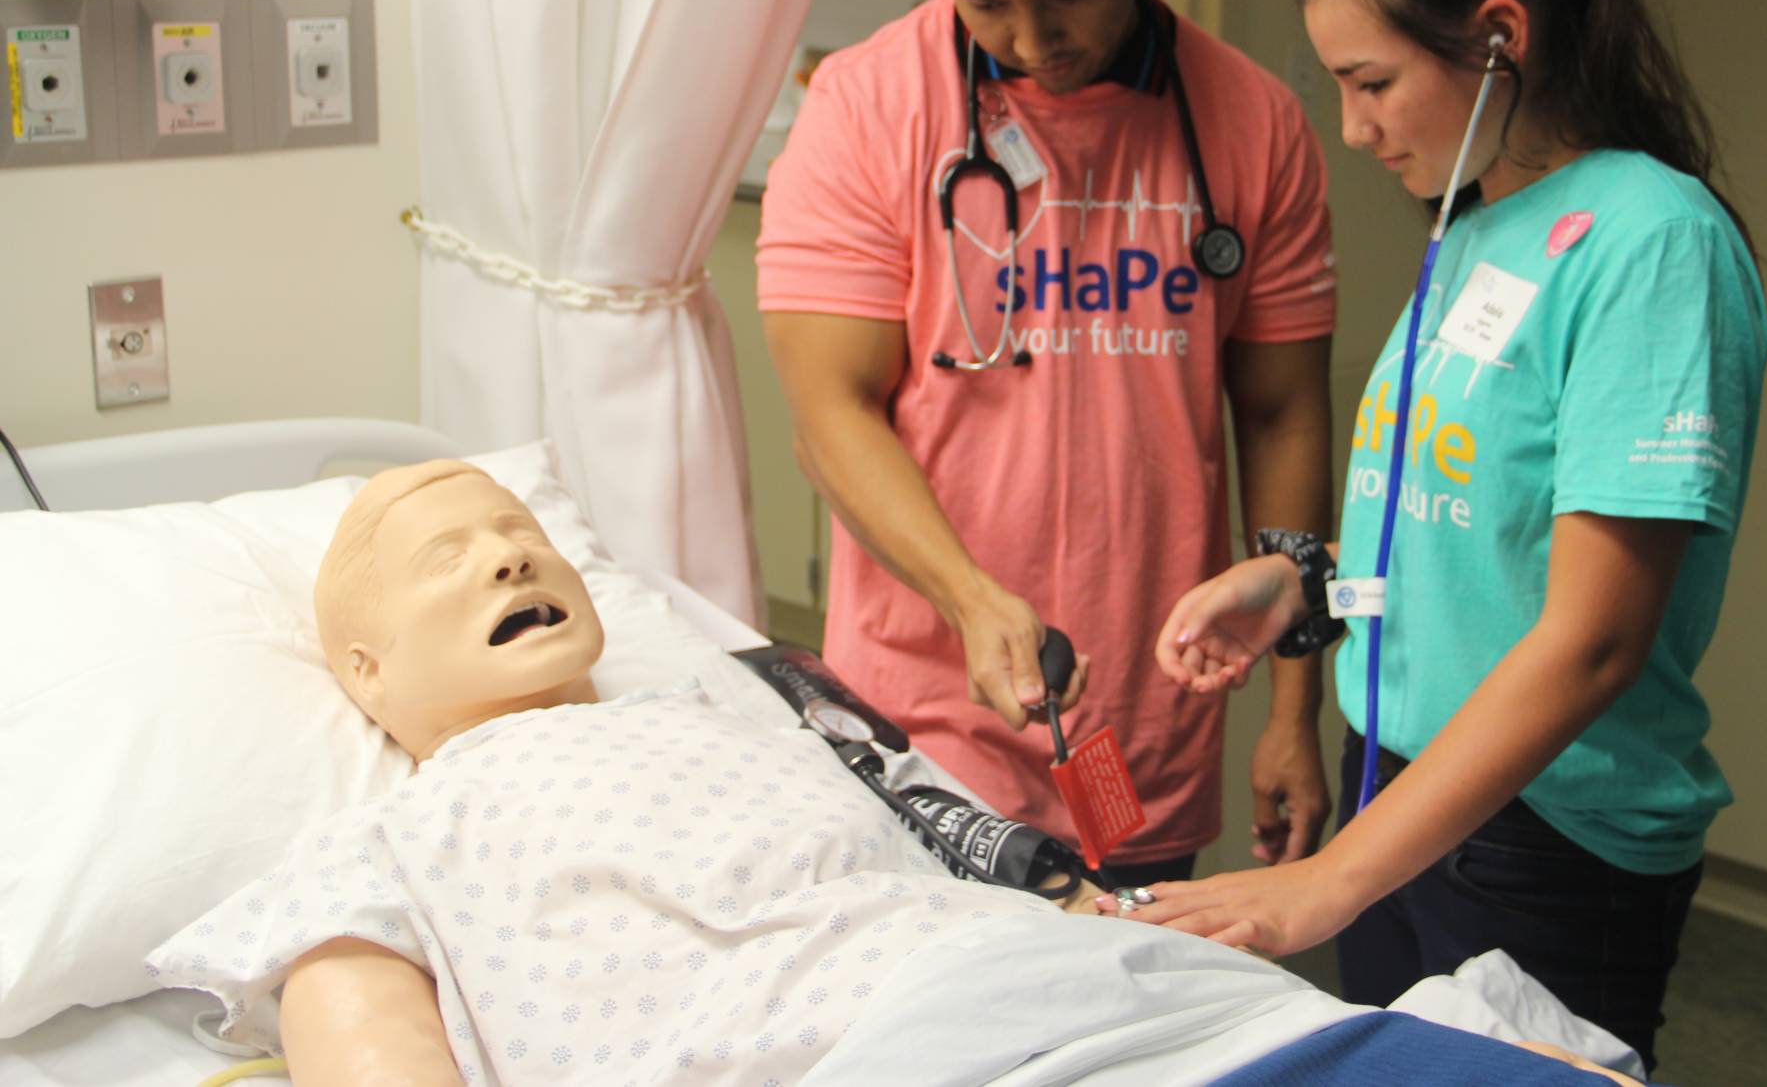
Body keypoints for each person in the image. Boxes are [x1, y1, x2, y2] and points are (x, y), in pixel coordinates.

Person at [146, 461, 1641, 1086]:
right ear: (363, 678)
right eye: (444, 559)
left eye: (522, 534)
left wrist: (1083, 909)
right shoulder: (402, 829)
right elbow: (356, 1014)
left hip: (1107, 1004)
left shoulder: (758, 714)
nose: (508, 551)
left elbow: (962, 858)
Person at [1114, 0, 1767, 1075]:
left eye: (1370, 82)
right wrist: (1298, 588)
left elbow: (1591, 641)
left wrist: (1333, 881)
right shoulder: (1476, 225)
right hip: (1404, 779)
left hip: (1542, 832)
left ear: (1498, 37)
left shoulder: (1650, 243)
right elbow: (1461, 509)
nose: (1351, 128)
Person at [757, 0, 1338, 890]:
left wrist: (1294, 702)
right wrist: (971, 602)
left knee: (1123, 1025)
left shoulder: (1252, 125)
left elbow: (1282, 416)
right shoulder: (866, 108)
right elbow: (828, 414)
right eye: (984, 3)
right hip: (921, 705)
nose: (1029, 39)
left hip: (1149, 713)